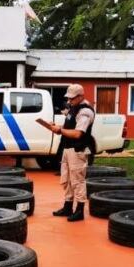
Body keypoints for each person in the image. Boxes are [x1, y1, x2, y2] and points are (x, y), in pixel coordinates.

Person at [50, 84, 95, 222]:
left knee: (78, 181)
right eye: (68, 98)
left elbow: (77, 133)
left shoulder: (85, 112)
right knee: (67, 179)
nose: (69, 101)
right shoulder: (73, 108)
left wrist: (59, 130)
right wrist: (56, 126)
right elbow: (69, 126)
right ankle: (67, 206)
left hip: (78, 149)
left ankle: (79, 210)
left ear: (81, 96)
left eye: (72, 98)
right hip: (68, 148)